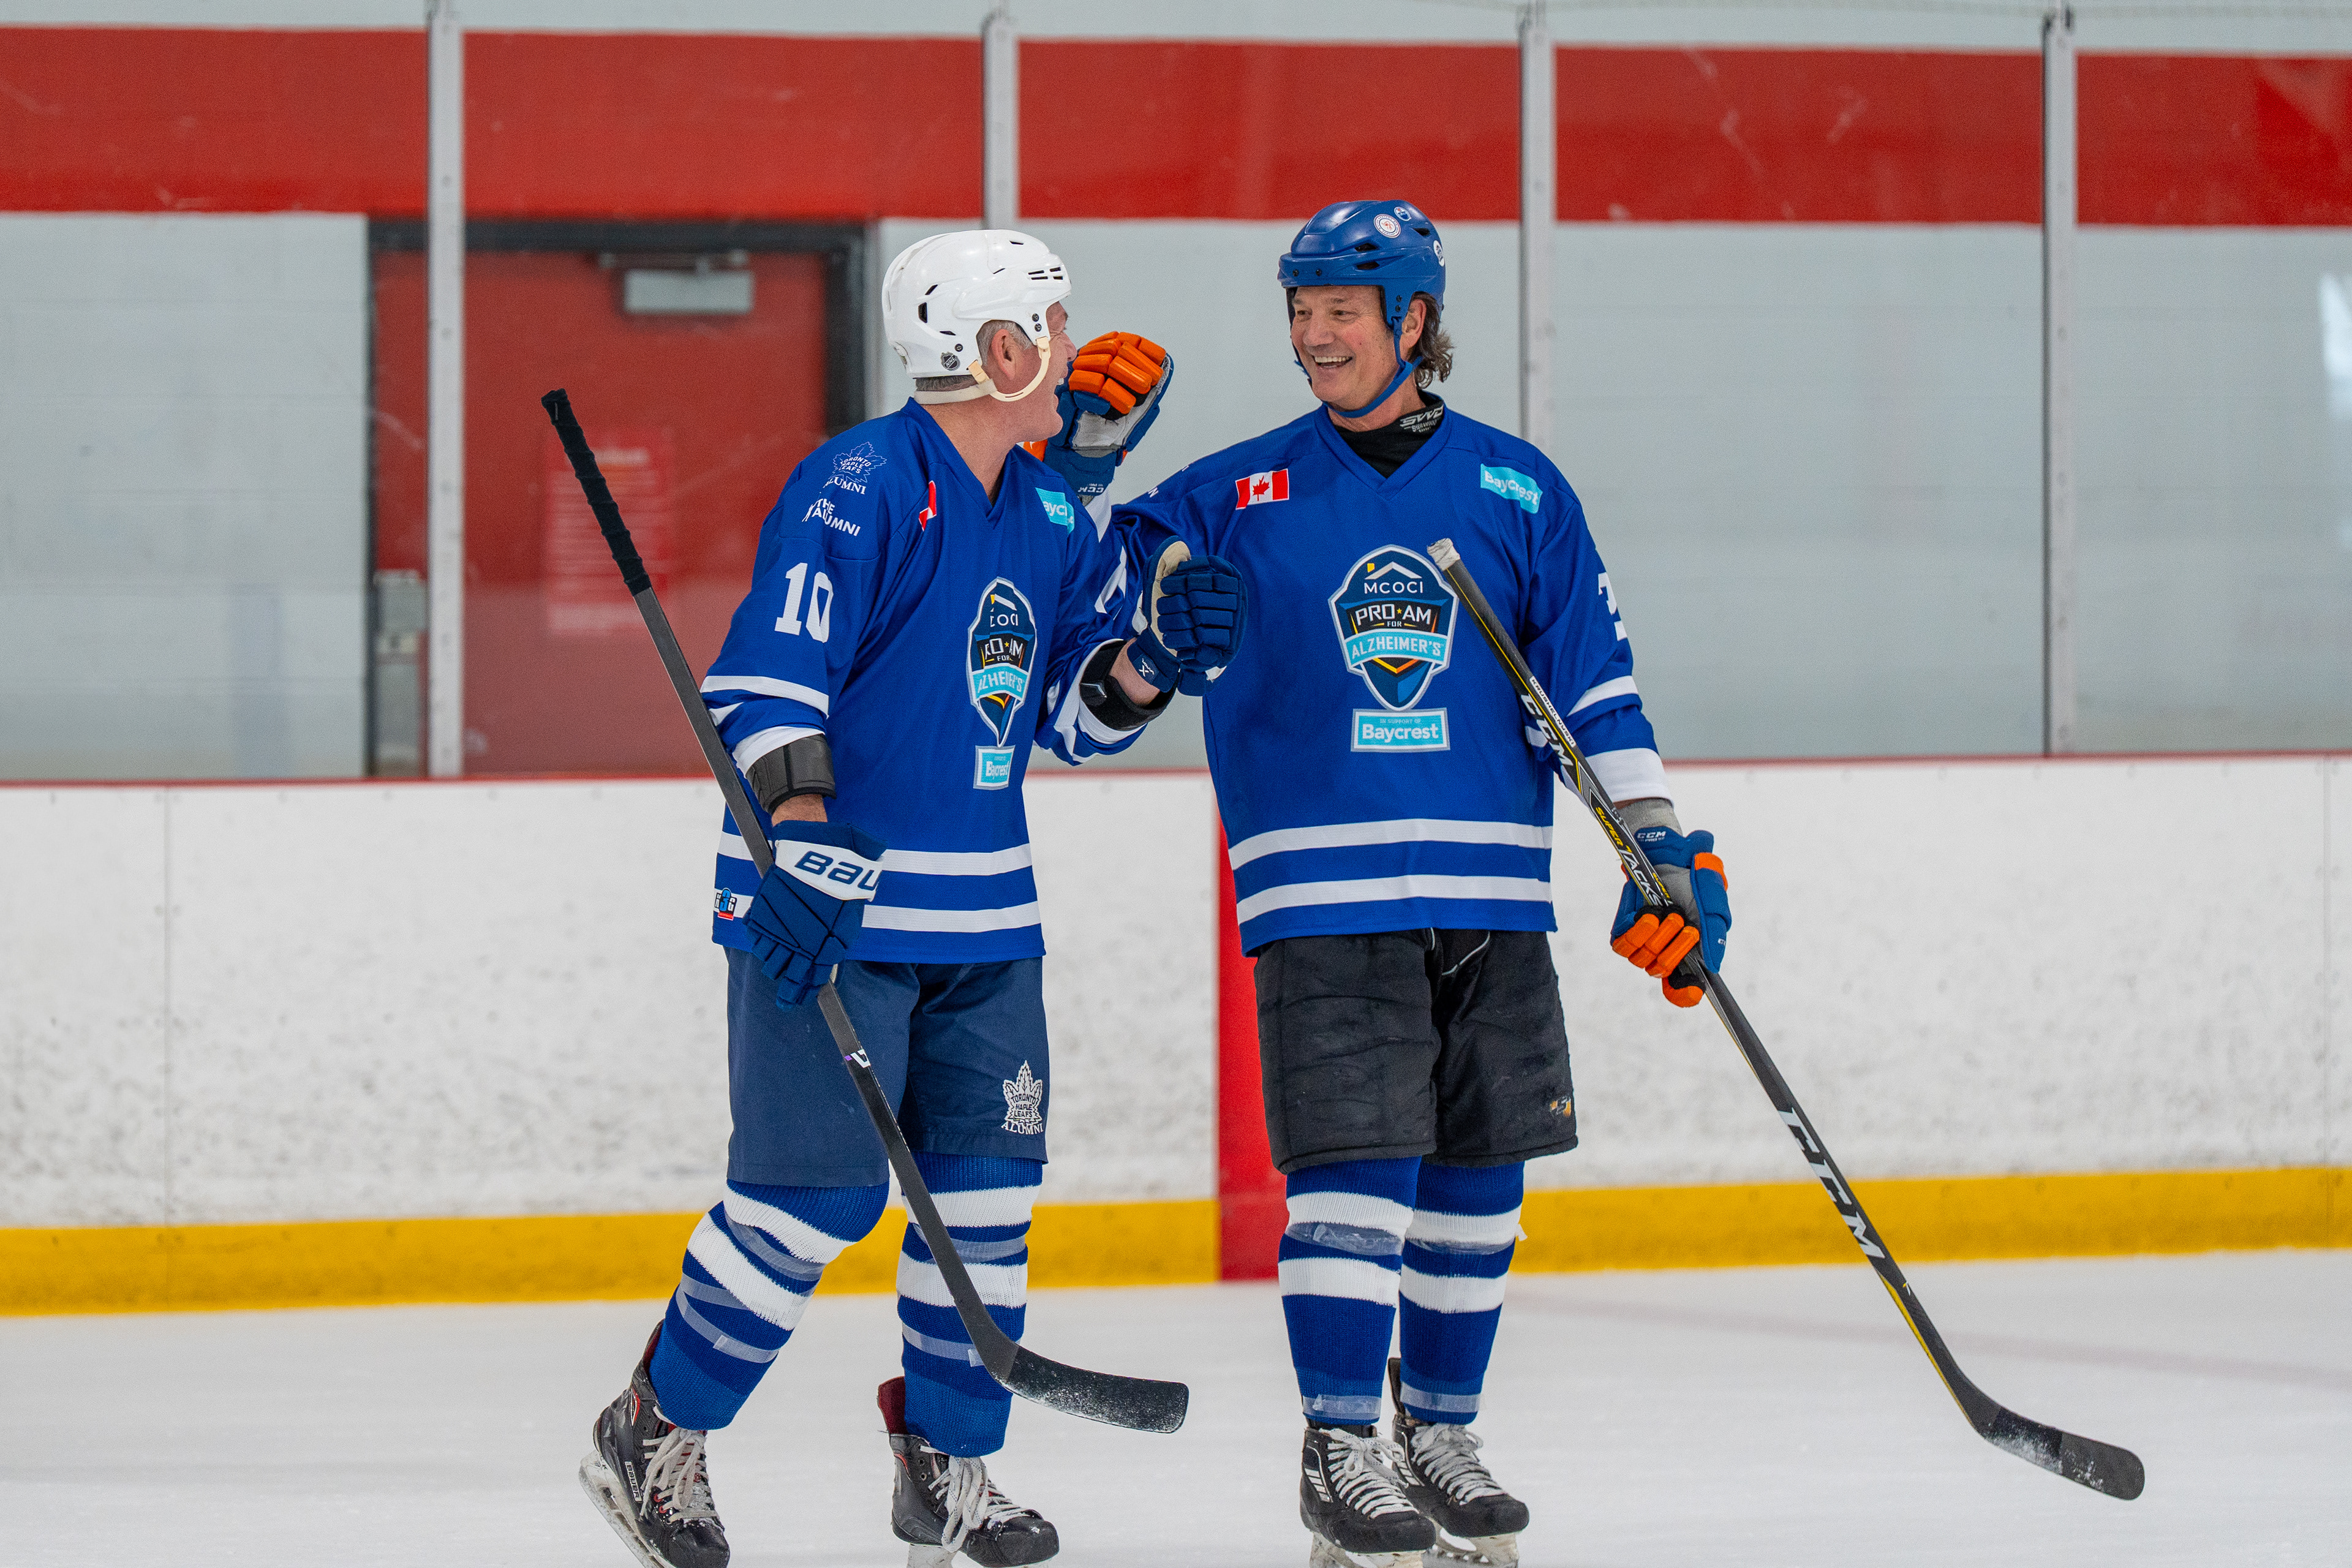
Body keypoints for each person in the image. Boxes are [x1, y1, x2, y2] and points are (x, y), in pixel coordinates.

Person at [578, 229, 1243, 1568]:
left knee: (987, 1203)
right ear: (1000, 351)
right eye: (1052, 327)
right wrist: (801, 844)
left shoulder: (1048, 512)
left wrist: (1151, 662)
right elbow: (766, 685)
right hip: (832, 911)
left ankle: (948, 1462)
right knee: (808, 1202)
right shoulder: (861, 484)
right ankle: (653, 1426)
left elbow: (1071, 714)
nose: (1071, 349)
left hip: (987, 922)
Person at [1114, 200, 1732, 1568]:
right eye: (1301, 310)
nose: (1315, 335)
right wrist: (1156, 588)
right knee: (1356, 1175)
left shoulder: (1520, 491)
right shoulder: (1232, 493)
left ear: (1414, 318)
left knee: (1478, 1181)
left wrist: (1661, 845)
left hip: (1494, 894)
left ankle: (1440, 1429)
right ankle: (1340, 1443)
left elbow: (1595, 689)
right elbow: (1121, 570)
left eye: (1343, 309)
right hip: (1323, 894)